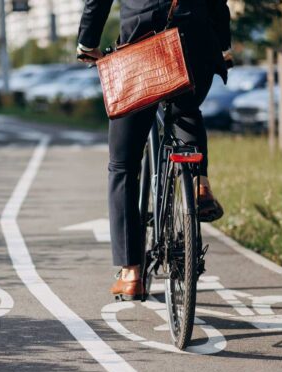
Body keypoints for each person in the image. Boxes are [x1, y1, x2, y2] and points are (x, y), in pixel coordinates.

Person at [77, 0, 231, 299]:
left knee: (122, 166)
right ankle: (199, 183)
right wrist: (224, 48)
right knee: (185, 107)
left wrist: (87, 42)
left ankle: (131, 273)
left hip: (142, 43)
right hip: (197, 40)